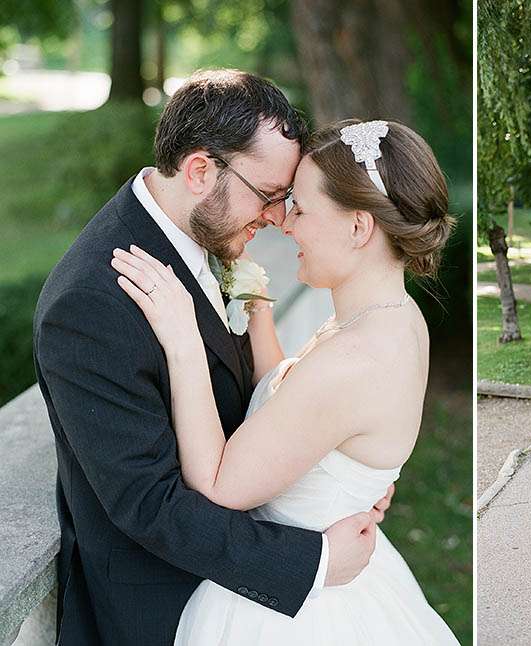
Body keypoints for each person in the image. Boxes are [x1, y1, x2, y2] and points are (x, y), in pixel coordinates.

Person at [33, 70, 392, 645]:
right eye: (270, 196)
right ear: (201, 170)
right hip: (167, 607)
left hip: (232, 581)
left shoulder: (201, 237)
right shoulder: (90, 303)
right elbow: (148, 503)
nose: (277, 218)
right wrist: (314, 561)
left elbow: (250, 409)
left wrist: (335, 473)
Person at [111, 116, 458, 643]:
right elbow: (290, 396)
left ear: (358, 227)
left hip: (296, 613)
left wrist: (182, 338)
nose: (284, 222)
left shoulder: (354, 360)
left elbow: (220, 485)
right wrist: (255, 303)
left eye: (300, 205)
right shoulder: (393, 316)